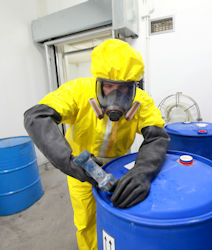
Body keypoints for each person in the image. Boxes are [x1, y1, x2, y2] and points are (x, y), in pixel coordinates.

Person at [24, 39, 170, 250]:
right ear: (98, 82)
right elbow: (36, 117)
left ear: (134, 86)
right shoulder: (78, 92)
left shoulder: (141, 102)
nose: (115, 95)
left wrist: (142, 172)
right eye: (109, 86)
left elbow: (157, 137)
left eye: (123, 88)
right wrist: (68, 162)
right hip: (81, 169)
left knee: (121, 215)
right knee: (86, 222)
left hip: (120, 169)